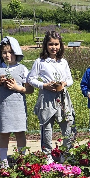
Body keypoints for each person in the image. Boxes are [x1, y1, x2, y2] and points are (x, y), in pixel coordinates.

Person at [28, 31, 75, 164]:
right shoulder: (40, 61)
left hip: (62, 98)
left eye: (56, 44)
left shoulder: (63, 62)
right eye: (50, 44)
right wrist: (44, 85)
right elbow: (31, 79)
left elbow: (70, 79)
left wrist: (64, 83)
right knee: (47, 127)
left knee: (67, 126)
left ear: (60, 45)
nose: (53, 47)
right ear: (45, 45)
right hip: (47, 97)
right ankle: (47, 154)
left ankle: (65, 153)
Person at [0, 37, 32, 168]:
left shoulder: (22, 68)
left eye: (10, 52)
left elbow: (29, 89)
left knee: (20, 132)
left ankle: (21, 158)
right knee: (4, 133)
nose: (7, 55)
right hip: (3, 106)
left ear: (16, 52)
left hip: (18, 106)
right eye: (4, 52)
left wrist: (17, 87)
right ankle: (3, 160)